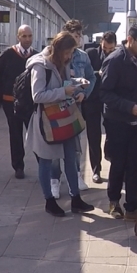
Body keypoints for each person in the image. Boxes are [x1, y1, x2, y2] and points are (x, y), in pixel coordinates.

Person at [24, 31, 94, 217]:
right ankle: (49, 201)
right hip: (46, 120)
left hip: (65, 117)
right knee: (46, 161)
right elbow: (37, 95)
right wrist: (64, 92)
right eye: (68, 52)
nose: (69, 56)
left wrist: (78, 82)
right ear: (58, 49)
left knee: (70, 158)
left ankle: (76, 199)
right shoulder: (40, 66)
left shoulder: (63, 62)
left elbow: (64, 82)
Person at [99, 23, 137, 220]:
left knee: (136, 164)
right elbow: (104, 93)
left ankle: (132, 205)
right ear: (129, 40)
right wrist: (128, 106)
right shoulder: (115, 60)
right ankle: (114, 202)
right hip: (117, 121)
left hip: (136, 121)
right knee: (118, 163)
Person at [50, 19, 96, 197]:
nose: (78, 39)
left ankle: (76, 176)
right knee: (55, 146)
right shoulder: (54, 55)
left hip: (75, 107)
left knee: (75, 145)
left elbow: (92, 78)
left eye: (79, 36)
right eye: (74, 36)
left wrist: (85, 93)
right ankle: (54, 180)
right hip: (55, 107)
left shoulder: (83, 57)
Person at [0, 25, 35, 179]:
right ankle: (18, 166)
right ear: (18, 37)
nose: (27, 39)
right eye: (24, 36)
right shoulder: (8, 54)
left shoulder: (36, 56)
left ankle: (43, 164)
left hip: (31, 104)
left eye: (30, 36)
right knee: (15, 134)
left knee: (35, 134)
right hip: (11, 102)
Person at [84, 31, 117, 184]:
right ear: (101, 43)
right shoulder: (90, 53)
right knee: (94, 135)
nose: (108, 51)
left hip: (109, 101)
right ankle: (96, 170)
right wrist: (99, 73)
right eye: (105, 48)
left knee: (112, 133)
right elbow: (84, 72)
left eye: (111, 49)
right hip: (92, 100)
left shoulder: (118, 56)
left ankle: (109, 155)